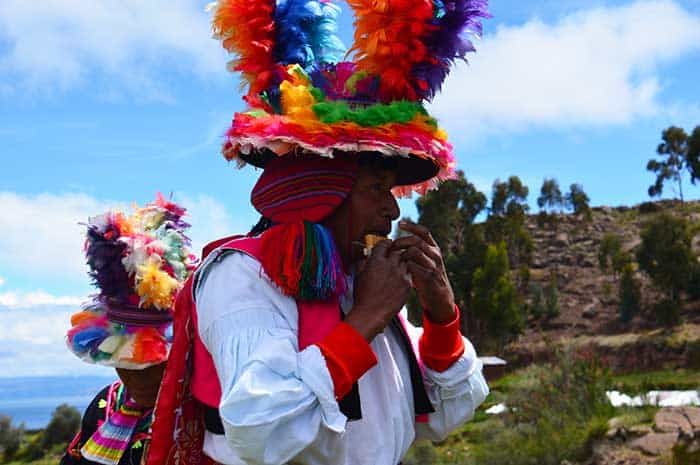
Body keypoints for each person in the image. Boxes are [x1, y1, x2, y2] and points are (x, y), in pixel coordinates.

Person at [147, 1, 492, 464]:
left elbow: (448, 413)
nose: (392, 208)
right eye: (375, 189)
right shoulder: (242, 275)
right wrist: (366, 317)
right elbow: (262, 431)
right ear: (318, 193)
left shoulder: (359, 283)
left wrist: (441, 314)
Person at [61, 195, 197, 465]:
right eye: (126, 364)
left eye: (152, 365)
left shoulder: (212, 411)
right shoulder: (106, 404)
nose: (137, 380)